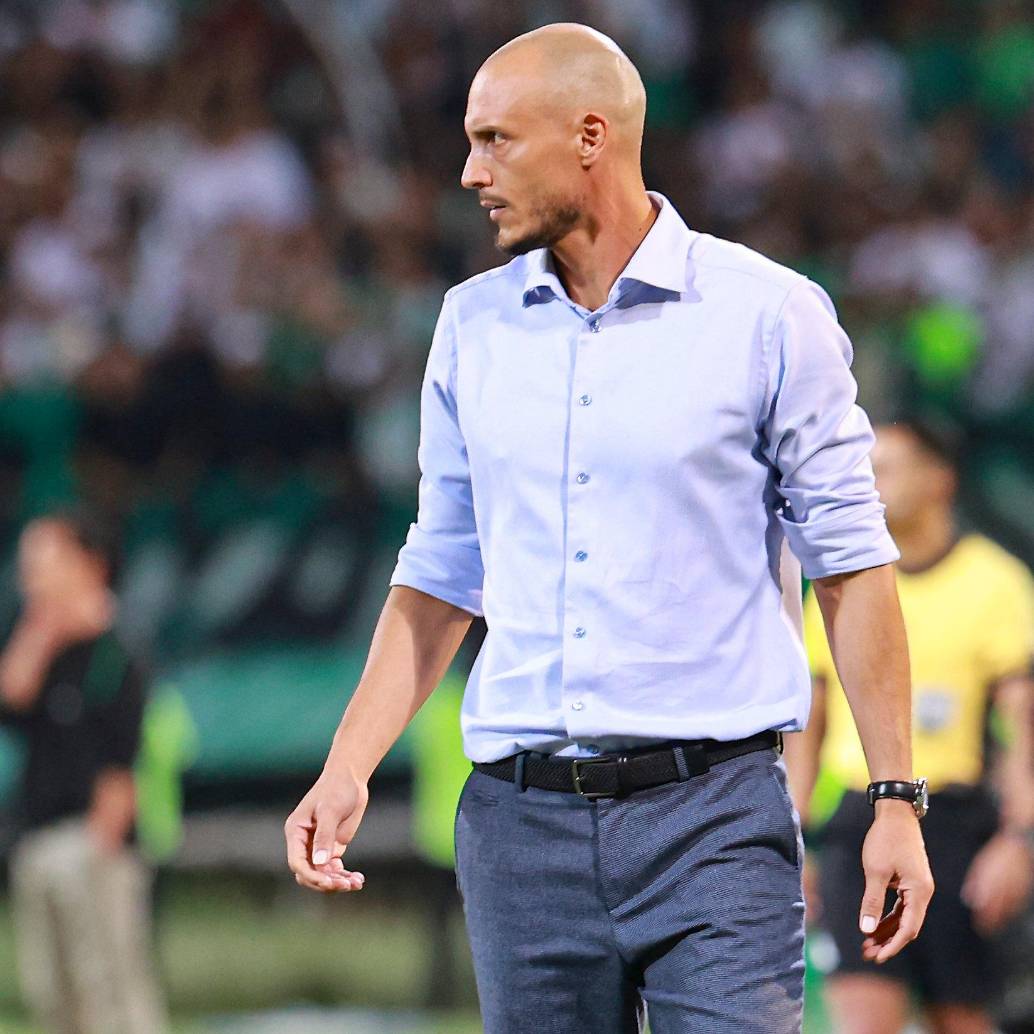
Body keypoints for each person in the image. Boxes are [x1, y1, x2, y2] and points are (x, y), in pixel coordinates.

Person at [285, 23, 933, 1034]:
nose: (468, 172)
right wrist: (345, 763)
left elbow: (850, 563)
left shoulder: (766, 314)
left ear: (589, 135)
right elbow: (444, 569)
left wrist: (893, 793)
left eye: (495, 139)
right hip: (518, 825)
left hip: (712, 817)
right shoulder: (470, 325)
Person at [785, 421, 1034, 1034]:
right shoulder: (848, 585)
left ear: (940, 480)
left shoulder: (995, 583)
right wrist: (792, 839)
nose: (871, 481)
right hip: (855, 823)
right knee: (864, 1016)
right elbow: (809, 725)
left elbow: (1024, 728)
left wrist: (1020, 841)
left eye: (889, 467)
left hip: (957, 829)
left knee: (964, 1019)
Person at [0, 512, 168, 1034]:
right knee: (53, 995)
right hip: (37, 836)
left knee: (110, 992)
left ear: (89, 565)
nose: (31, 577)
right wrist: (40, 633)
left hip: (93, 843)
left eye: (45, 562)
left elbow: (123, 763)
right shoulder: (40, 643)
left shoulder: (118, 650)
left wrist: (100, 849)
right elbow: (12, 700)